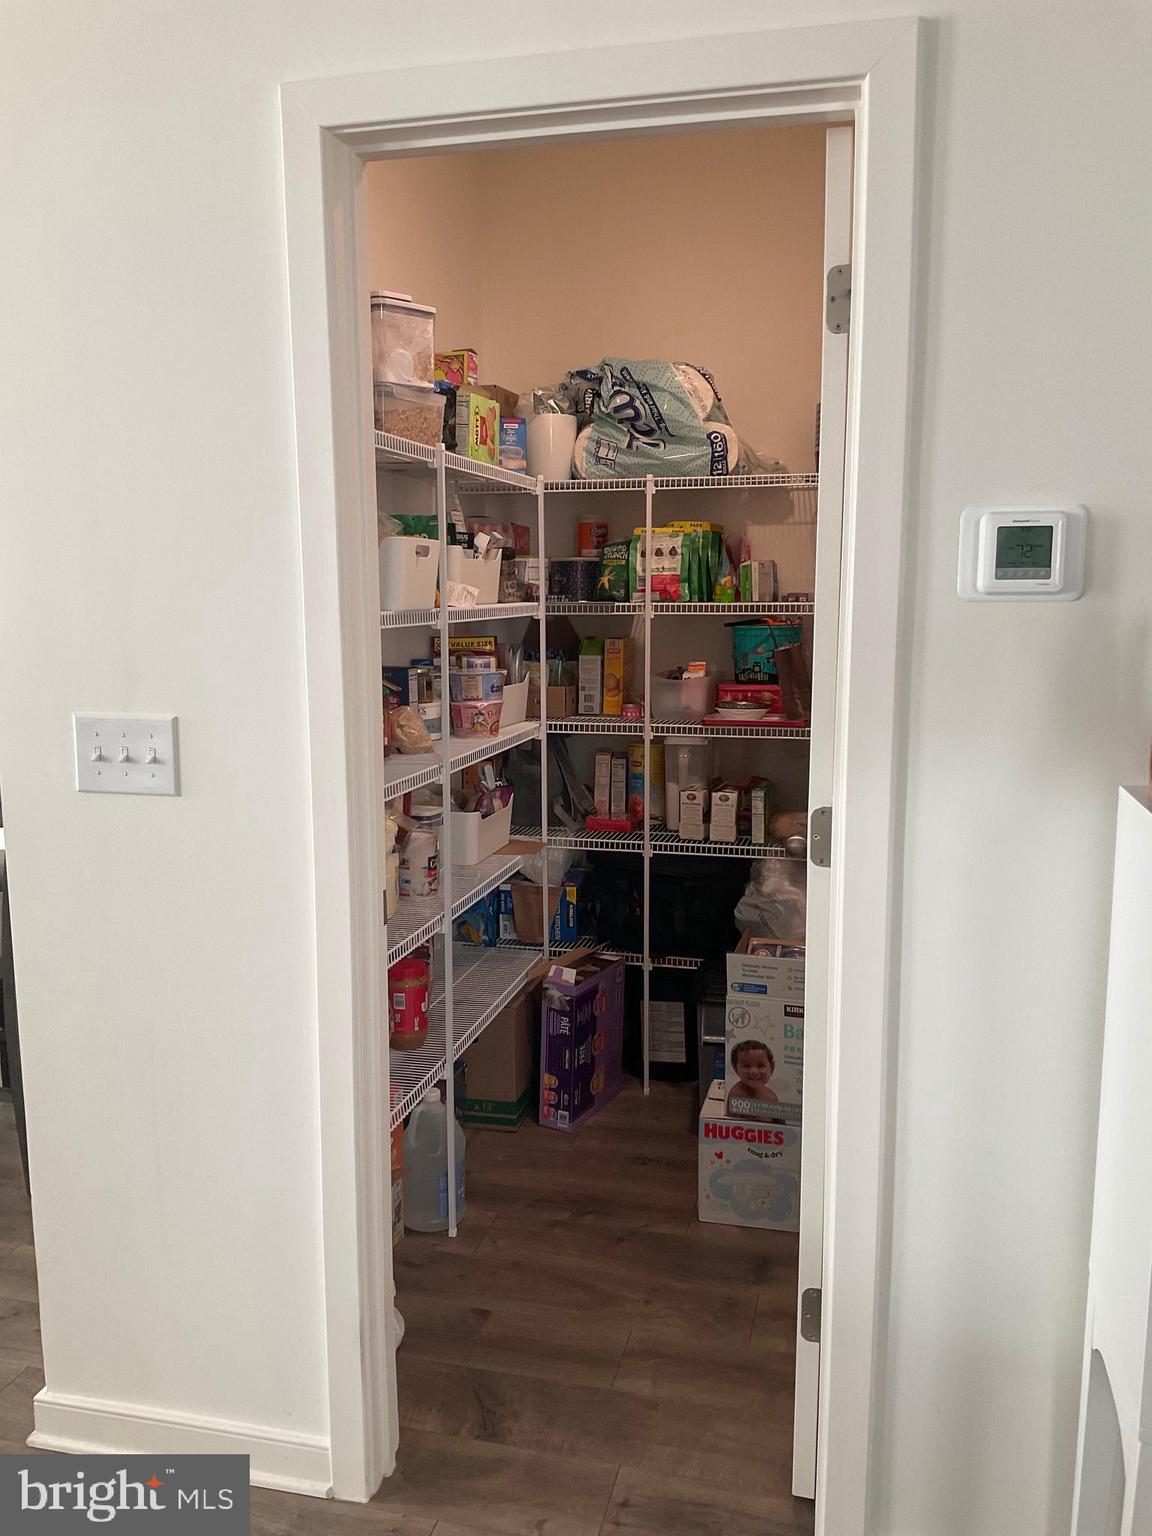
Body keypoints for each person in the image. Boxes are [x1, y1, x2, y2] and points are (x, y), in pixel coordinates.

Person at [726, 1039, 779, 1115]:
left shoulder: (771, 1096)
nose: (754, 1072)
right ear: (736, 1070)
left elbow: (781, 1124)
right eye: (746, 1066)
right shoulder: (737, 1095)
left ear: (772, 1068)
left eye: (760, 1066)